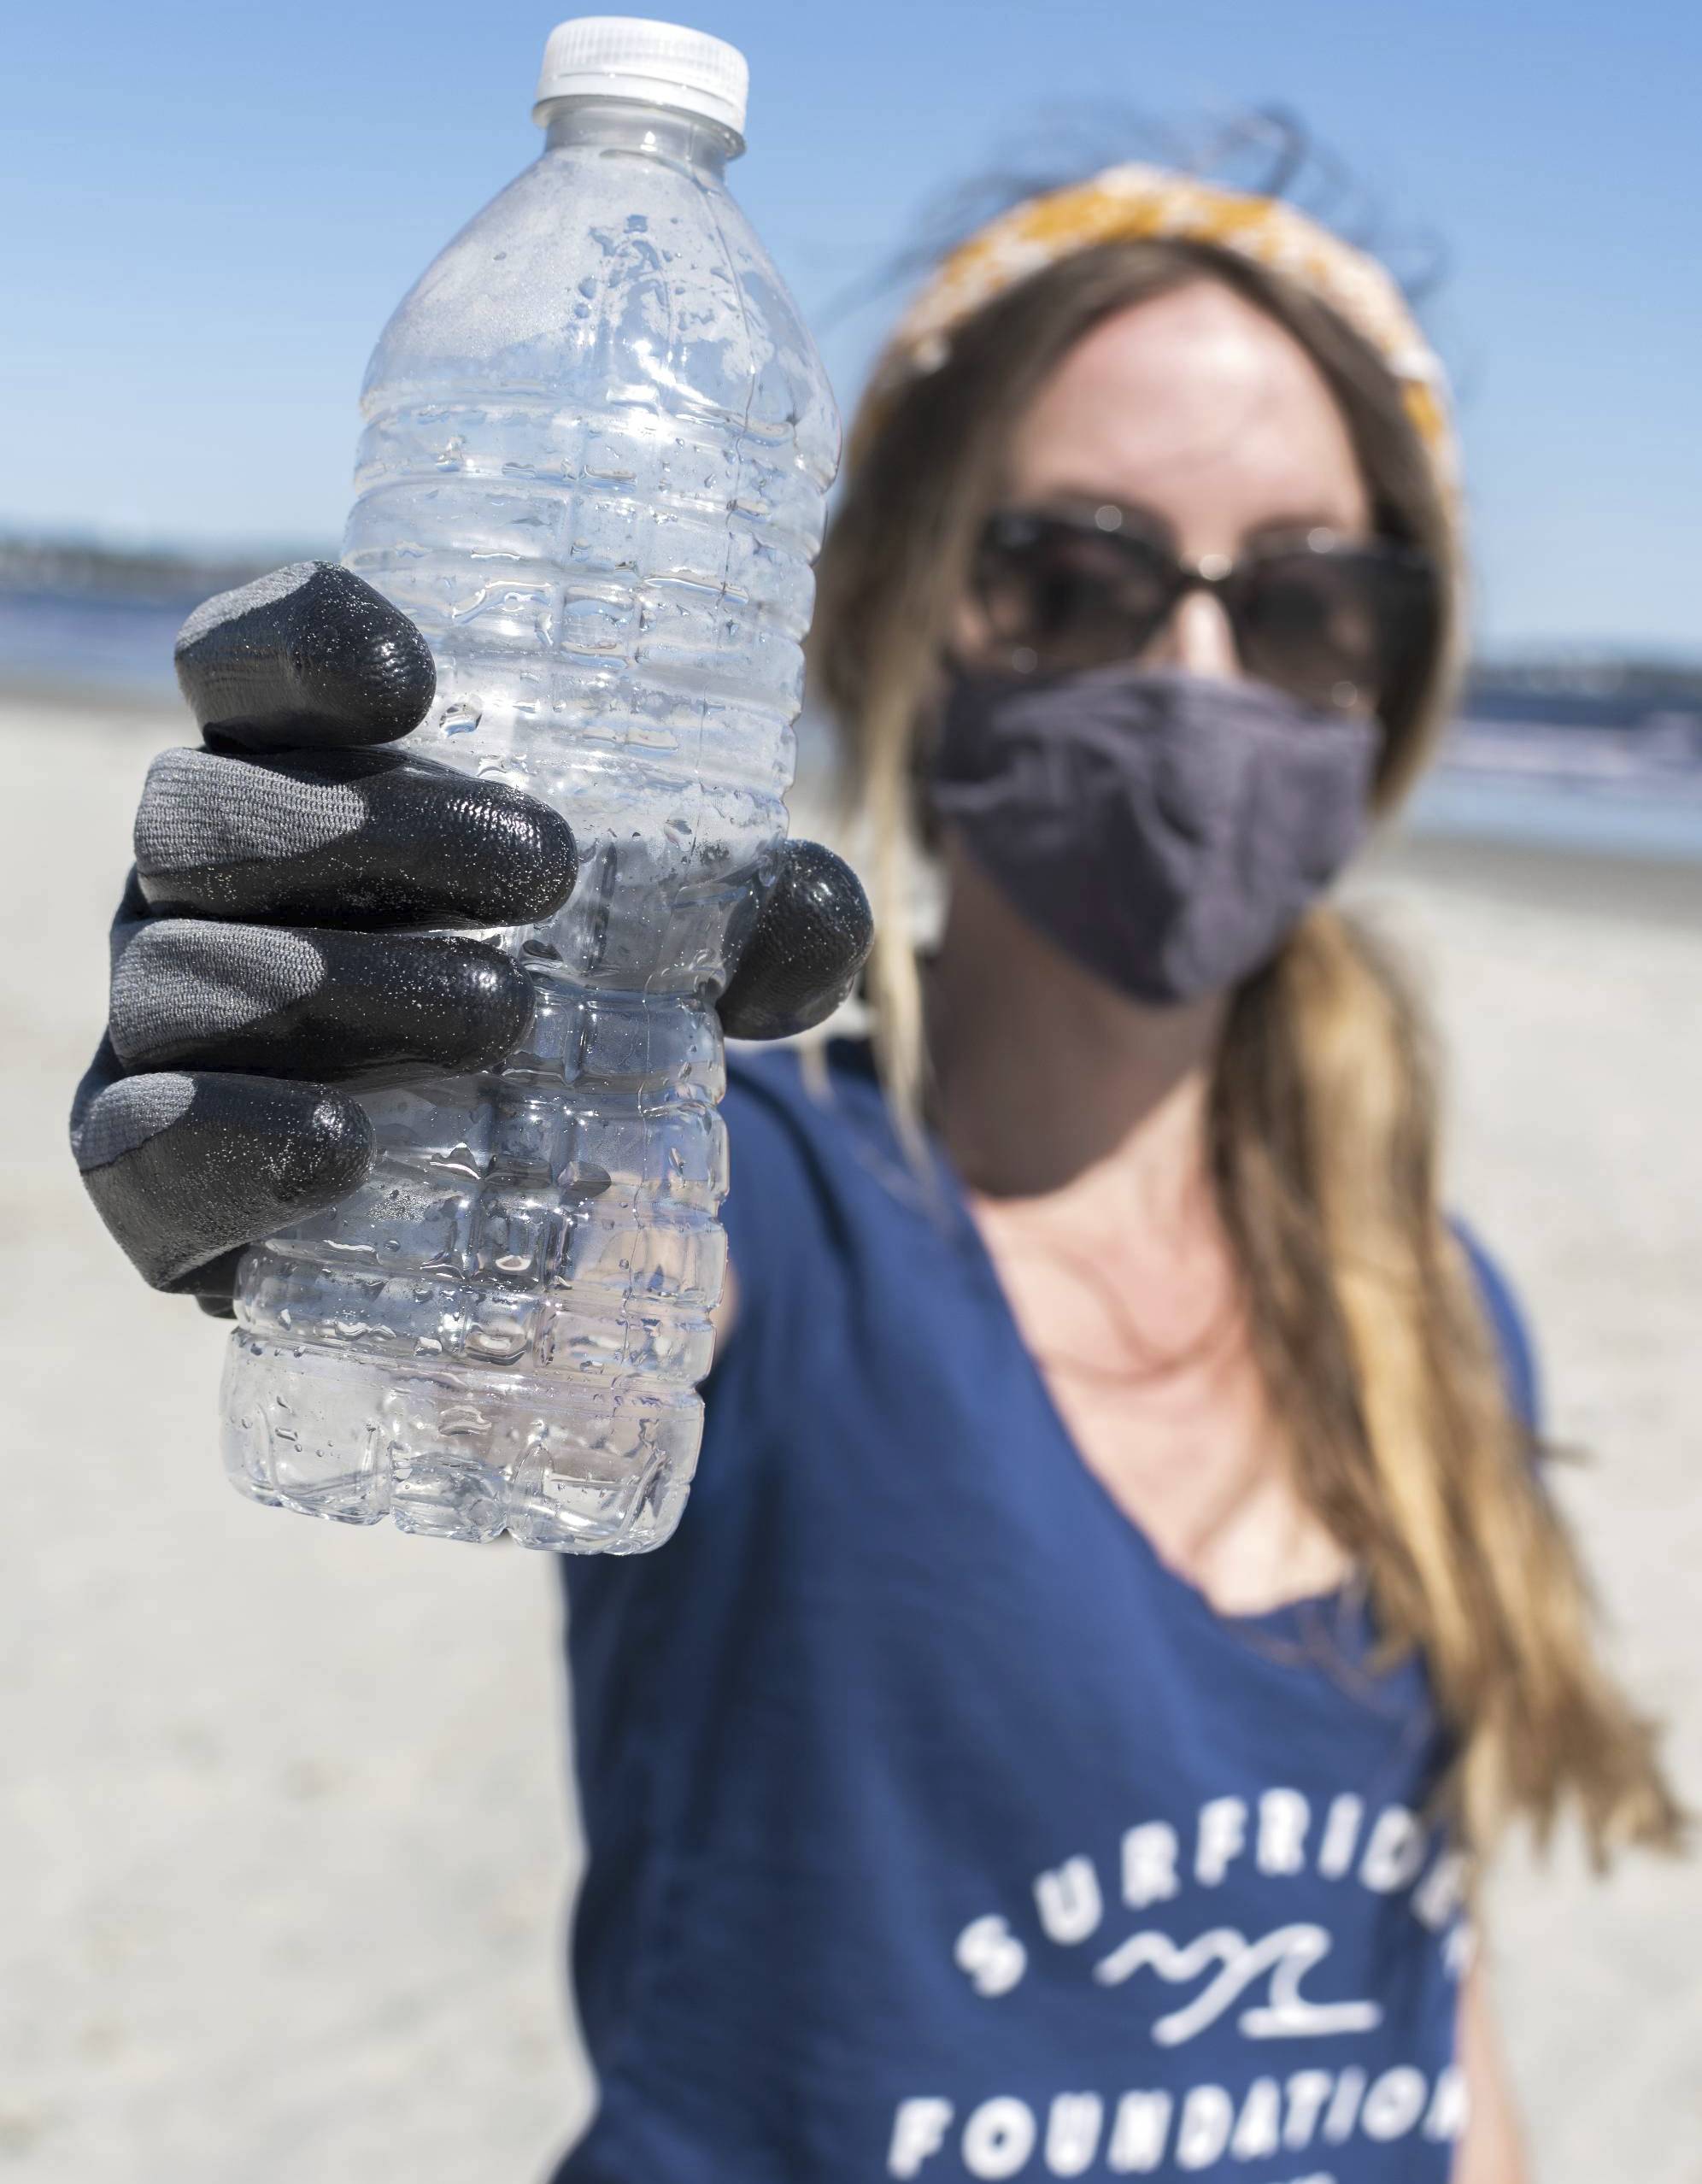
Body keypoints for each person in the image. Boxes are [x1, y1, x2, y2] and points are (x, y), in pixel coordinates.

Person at [73, 157, 1680, 2182]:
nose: (1193, 680)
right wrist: (343, 1080)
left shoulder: (1436, 1308)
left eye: (1305, 602)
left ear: (1392, 685)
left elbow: (1432, 2026)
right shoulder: (773, 1210)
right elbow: (558, 1281)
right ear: (901, 616)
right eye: (1076, 581)